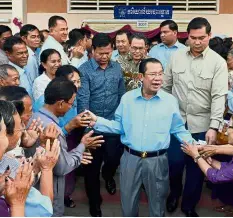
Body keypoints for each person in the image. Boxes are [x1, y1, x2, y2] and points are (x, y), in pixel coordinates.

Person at [86, 58, 196, 217]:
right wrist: (97, 121)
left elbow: (178, 128)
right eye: (152, 74)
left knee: (157, 205)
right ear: (140, 77)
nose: (157, 78)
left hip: (158, 161)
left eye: (160, 74)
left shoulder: (170, 101)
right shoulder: (127, 99)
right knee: (128, 205)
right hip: (130, 159)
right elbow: (119, 127)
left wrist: (194, 144)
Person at [163, 17, 228, 216]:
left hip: (202, 125)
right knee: (173, 163)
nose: (197, 42)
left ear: (210, 36)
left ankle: (189, 205)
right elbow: (165, 87)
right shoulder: (176, 57)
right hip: (177, 123)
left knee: (196, 170)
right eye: (193, 38)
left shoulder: (218, 63)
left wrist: (214, 126)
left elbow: (219, 96)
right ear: (187, 36)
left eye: (202, 38)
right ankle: (174, 193)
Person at [31, 77, 104, 216]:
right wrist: (83, 145)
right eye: (71, 103)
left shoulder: (35, 118)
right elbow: (62, 167)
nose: (72, 106)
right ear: (60, 103)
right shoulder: (53, 131)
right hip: (49, 196)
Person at [77, 33, 125, 217]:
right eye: (101, 53)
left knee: (113, 158)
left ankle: (108, 175)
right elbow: (83, 101)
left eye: (108, 53)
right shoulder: (84, 70)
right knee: (91, 168)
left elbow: (121, 95)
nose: (105, 57)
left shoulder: (116, 68)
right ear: (93, 50)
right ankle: (95, 203)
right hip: (93, 126)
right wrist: (88, 129)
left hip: (113, 124)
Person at [182, 110, 233, 216]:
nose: (225, 131)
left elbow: (216, 177)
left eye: (229, 127)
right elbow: (228, 168)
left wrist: (196, 156)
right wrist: (209, 160)